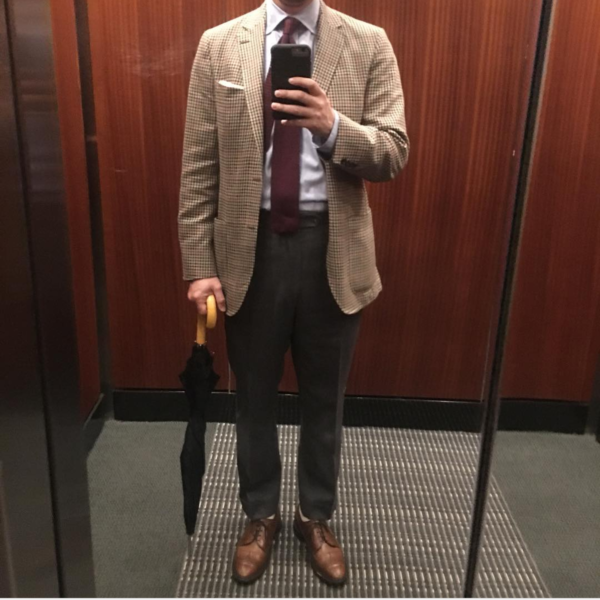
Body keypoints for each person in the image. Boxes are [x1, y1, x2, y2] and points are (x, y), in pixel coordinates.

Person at [178, 0, 409, 586]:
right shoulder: (218, 45)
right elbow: (199, 164)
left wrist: (332, 127)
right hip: (246, 248)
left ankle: (316, 515)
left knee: (325, 398)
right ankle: (260, 514)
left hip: (333, 248)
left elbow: (392, 153)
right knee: (252, 394)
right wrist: (199, 265)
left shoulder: (368, 43)